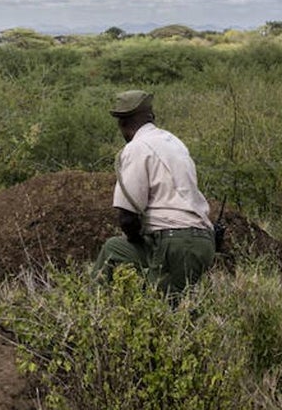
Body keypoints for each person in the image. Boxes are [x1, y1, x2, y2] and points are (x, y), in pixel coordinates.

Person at [92, 90, 216, 298]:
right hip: (204, 241)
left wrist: (139, 236)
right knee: (114, 249)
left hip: (173, 244)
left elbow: (127, 217)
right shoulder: (174, 142)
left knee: (161, 310)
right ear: (152, 116)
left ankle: (92, 314)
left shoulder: (137, 147)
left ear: (122, 124)